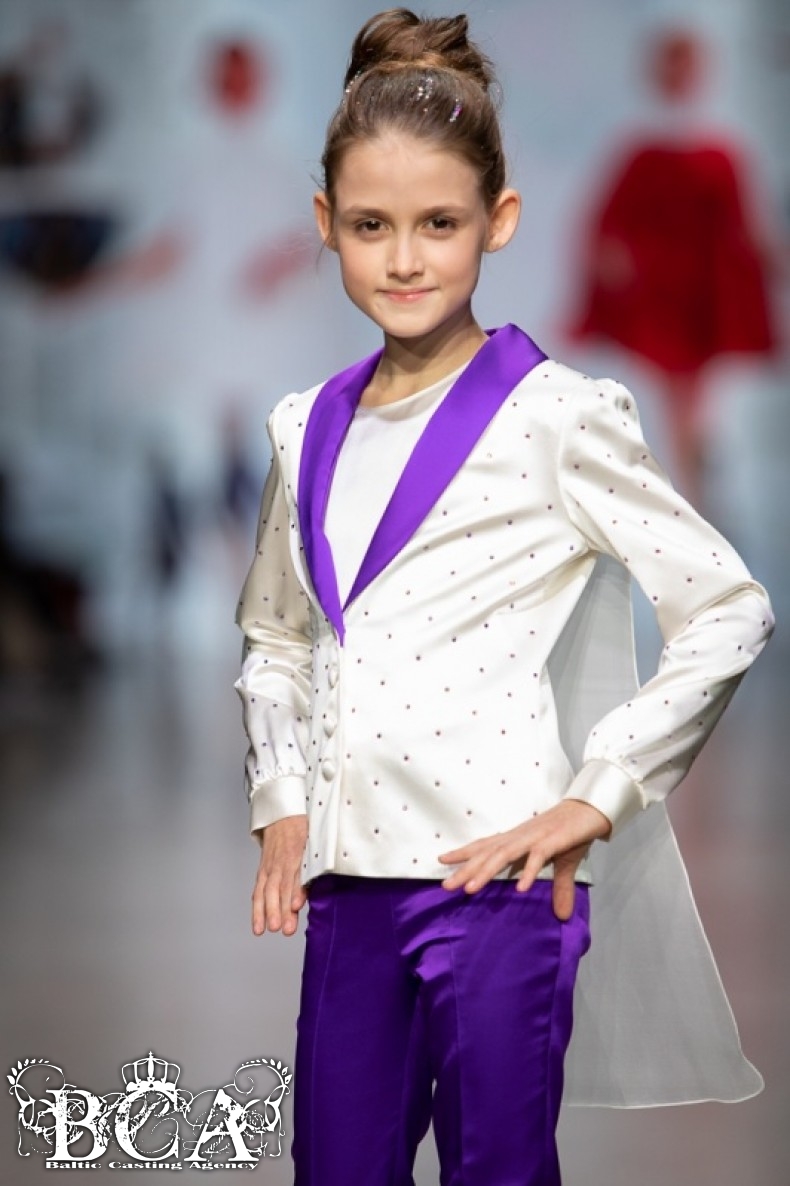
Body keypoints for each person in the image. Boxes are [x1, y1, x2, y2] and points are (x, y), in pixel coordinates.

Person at [234, 10, 775, 1185]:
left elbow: (727, 606)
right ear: (324, 224)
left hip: (502, 884)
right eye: (370, 226)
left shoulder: (555, 417)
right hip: (347, 889)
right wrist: (279, 793)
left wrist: (597, 793)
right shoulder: (303, 427)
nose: (405, 258)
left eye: (439, 223)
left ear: (500, 219)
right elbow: (276, 630)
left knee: (497, 1168)